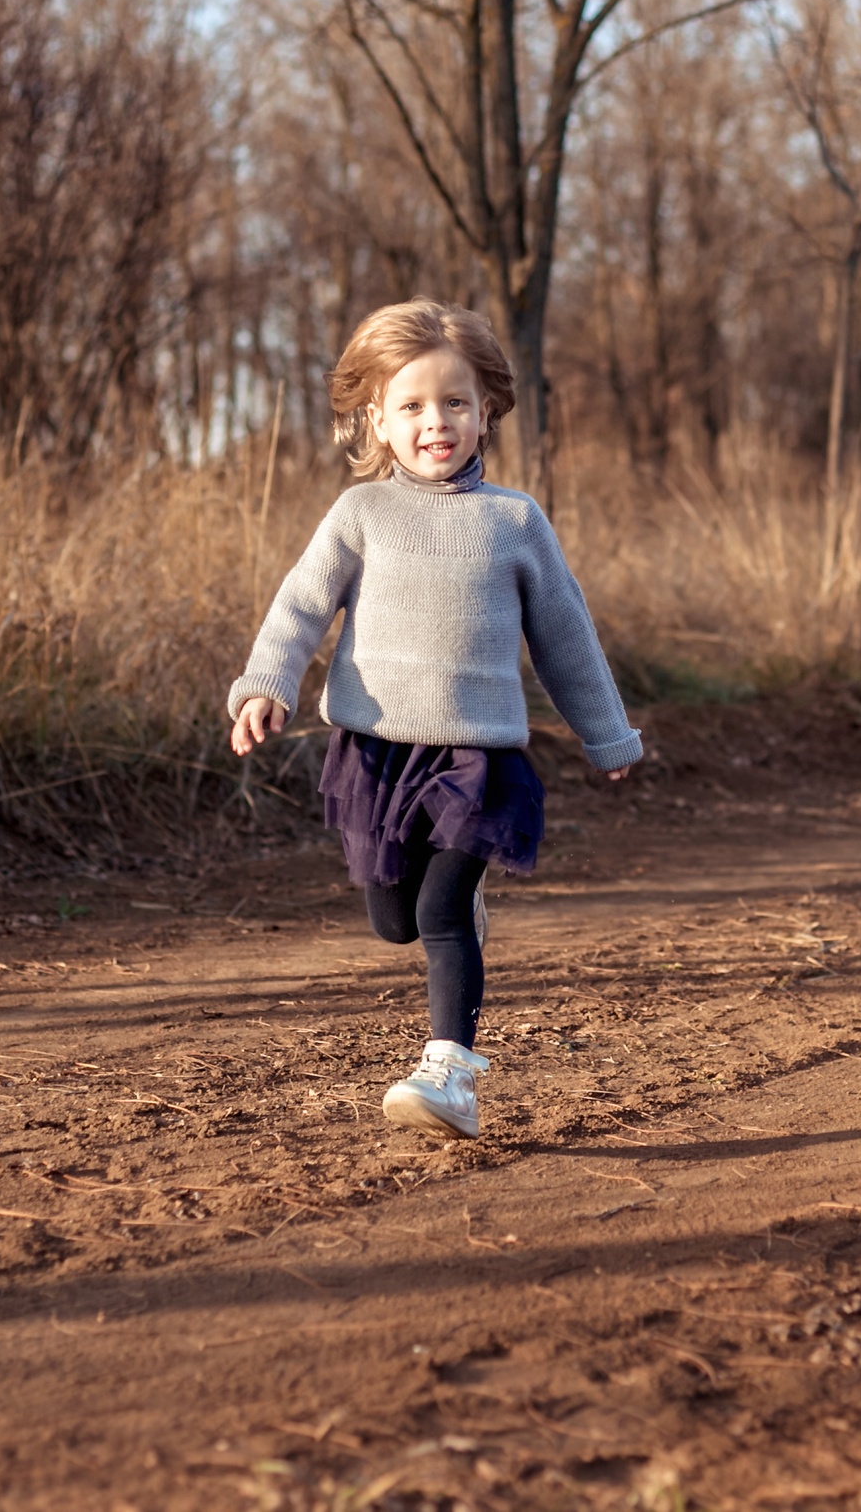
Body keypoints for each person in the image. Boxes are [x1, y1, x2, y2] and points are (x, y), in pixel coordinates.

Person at [227, 299, 641, 1139]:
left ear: (486, 409)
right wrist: (264, 680)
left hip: (476, 755)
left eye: (454, 402)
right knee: (393, 920)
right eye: (411, 405)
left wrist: (607, 733)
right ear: (376, 417)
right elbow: (301, 604)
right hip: (374, 752)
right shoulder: (360, 515)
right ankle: (451, 918)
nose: (435, 422)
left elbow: (565, 633)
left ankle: (449, 1070)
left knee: (439, 916)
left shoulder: (514, 521)